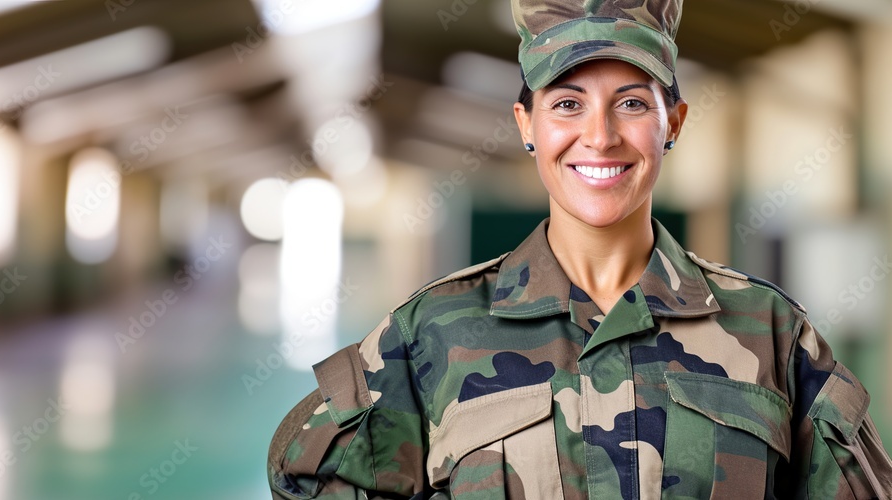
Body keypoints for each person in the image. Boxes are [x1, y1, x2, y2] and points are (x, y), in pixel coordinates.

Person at [267, 0, 892, 497]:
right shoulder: (431, 333)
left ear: (672, 123)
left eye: (632, 103)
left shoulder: (771, 331)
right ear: (527, 125)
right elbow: (307, 474)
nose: (600, 136)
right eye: (568, 104)